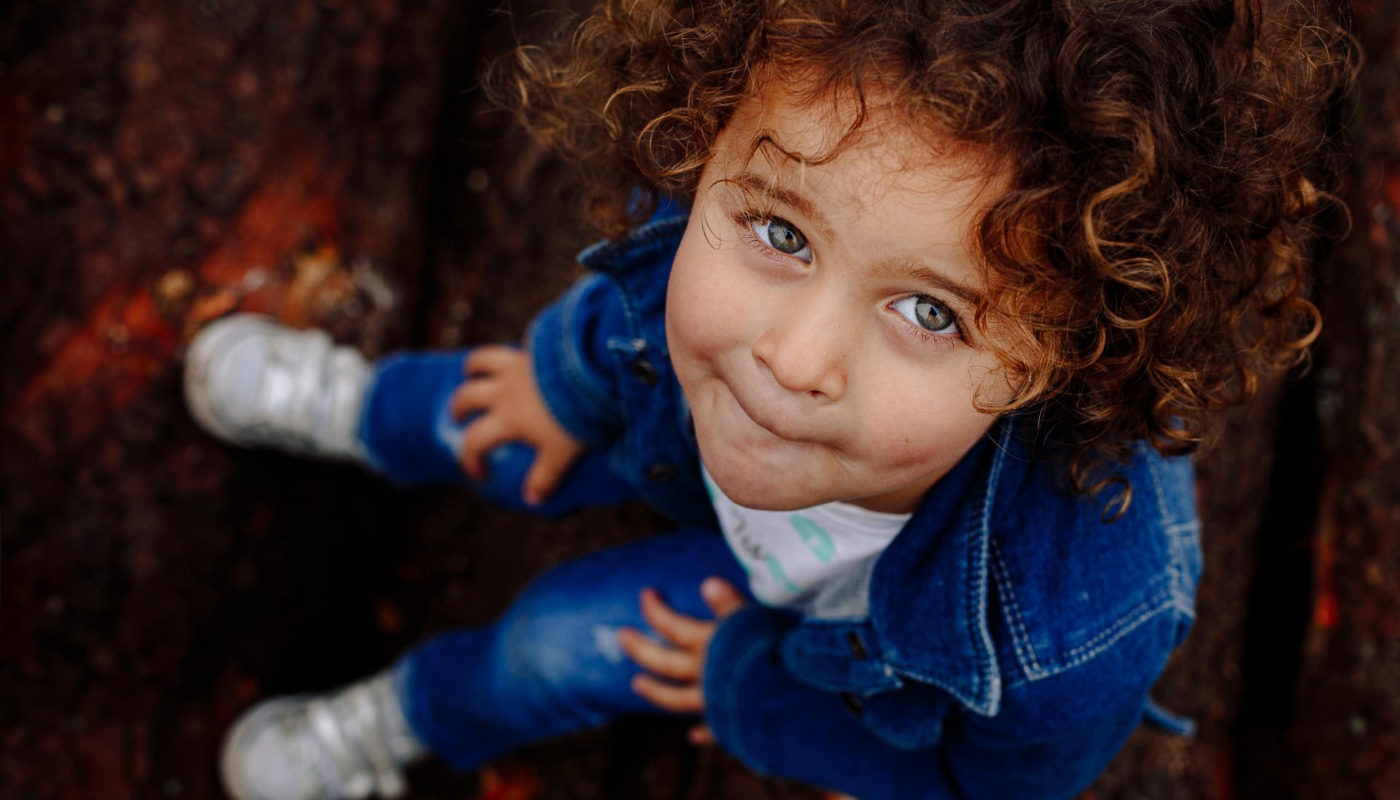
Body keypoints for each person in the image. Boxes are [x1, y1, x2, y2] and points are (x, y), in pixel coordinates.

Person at [184, 1, 1352, 798]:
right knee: (489, 412)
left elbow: (976, 785)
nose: (795, 356)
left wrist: (743, 685)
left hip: (800, 627)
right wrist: (555, 382)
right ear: (710, 148)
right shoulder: (749, 175)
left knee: (547, 646)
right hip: (668, 429)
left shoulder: (1072, 625)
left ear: (1062, 357)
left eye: (931, 311)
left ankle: (396, 719)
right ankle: (363, 413)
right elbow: (627, 312)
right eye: (781, 233)